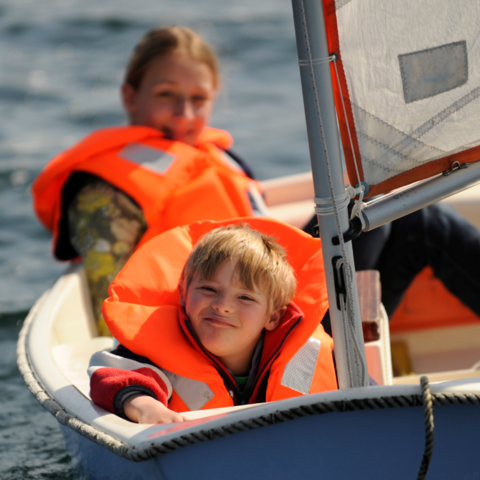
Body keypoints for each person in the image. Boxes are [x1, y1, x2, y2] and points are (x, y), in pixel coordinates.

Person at [32, 26, 266, 335]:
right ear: (130, 96)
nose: (183, 114)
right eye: (166, 95)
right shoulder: (104, 196)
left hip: (260, 311)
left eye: (198, 99)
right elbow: (111, 317)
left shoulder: (218, 159)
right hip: (200, 332)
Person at [88, 219, 338, 424]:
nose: (223, 306)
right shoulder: (153, 349)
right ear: (184, 294)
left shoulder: (309, 351)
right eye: (208, 289)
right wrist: (145, 407)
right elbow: (110, 379)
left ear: (273, 317)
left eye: (245, 297)